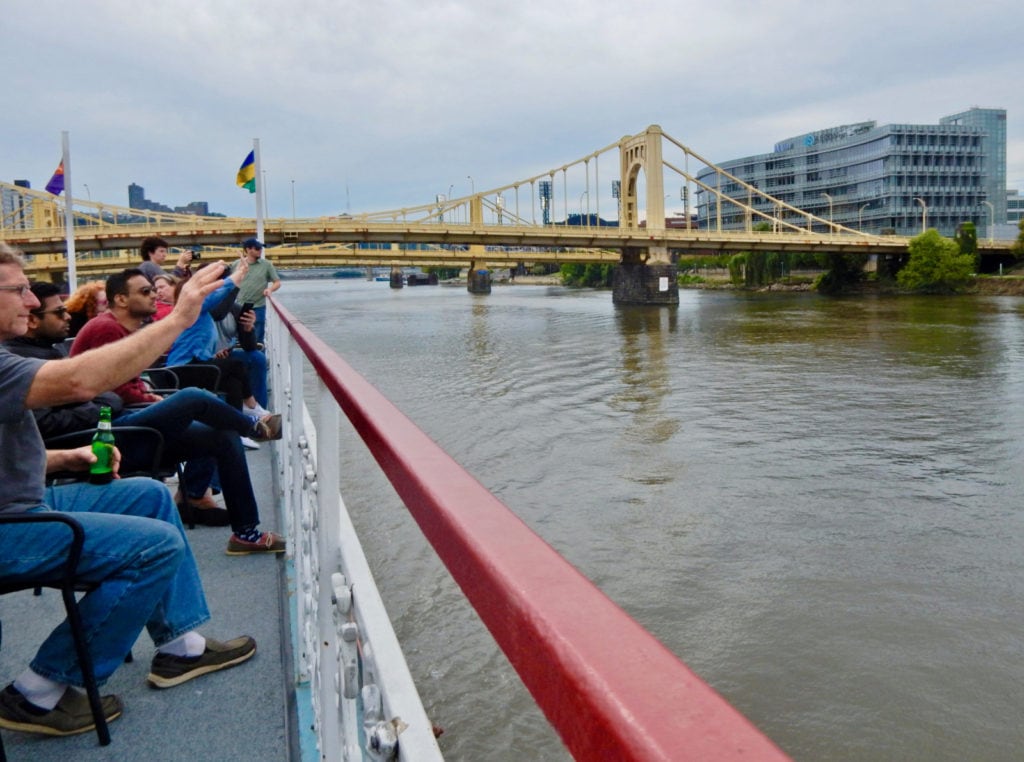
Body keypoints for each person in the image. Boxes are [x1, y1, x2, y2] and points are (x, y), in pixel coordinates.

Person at [0, 243, 255, 738]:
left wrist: (61, 458)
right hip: (9, 524)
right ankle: (38, 691)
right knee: (154, 547)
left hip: (24, 499)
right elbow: (78, 382)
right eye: (18, 290)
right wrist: (181, 316)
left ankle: (180, 648)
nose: (32, 302)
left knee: (150, 495)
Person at [70, 269, 287, 547]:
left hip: (129, 419)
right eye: (144, 292)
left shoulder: (123, 328)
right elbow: (108, 388)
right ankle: (255, 427)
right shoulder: (106, 328)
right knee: (193, 397)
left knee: (222, 435)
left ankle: (245, 533)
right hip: (109, 432)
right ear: (121, 300)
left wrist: (148, 395)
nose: (154, 296)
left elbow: (126, 384)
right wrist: (152, 399)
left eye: (152, 289)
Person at [167, 262, 267, 415]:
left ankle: (238, 426)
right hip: (183, 368)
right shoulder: (193, 309)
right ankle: (253, 407)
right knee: (236, 366)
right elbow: (218, 302)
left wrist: (248, 328)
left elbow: (200, 344)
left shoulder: (203, 313)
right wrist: (237, 277)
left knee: (233, 383)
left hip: (198, 363)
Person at [231, 238, 280, 344]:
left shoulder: (266, 265)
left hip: (258, 307)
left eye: (261, 248)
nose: (260, 250)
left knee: (257, 339)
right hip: (239, 306)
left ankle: (258, 357)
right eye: (257, 248)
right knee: (237, 337)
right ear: (248, 249)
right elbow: (229, 282)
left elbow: (277, 282)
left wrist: (270, 289)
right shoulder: (236, 264)